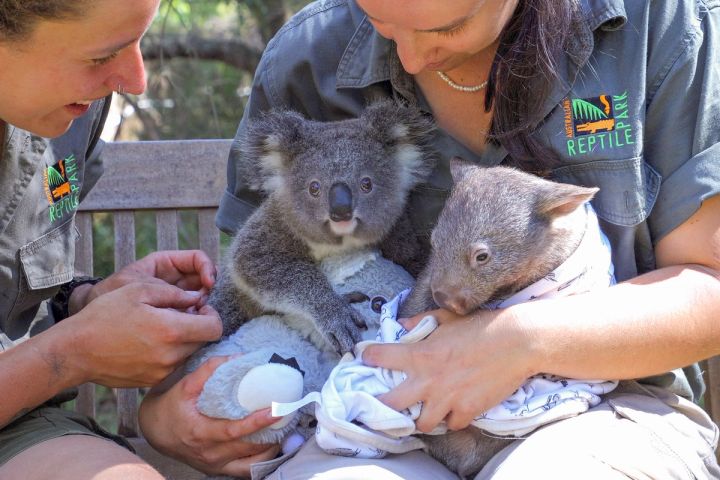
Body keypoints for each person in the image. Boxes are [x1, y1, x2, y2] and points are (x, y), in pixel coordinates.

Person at [141, 0, 720, 478]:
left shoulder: (658, 28)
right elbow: (253, 285)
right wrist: (167, 412)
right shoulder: (308, 57)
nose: (411, 56)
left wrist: (524, 340)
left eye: (448, 27)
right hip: (371, 410)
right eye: (384, 22)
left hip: (597, 402)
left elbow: (709, 287)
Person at [0, 2, 284, 479]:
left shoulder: (70, 115)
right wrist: (72, 353)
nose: (135, 81)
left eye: (139, 42)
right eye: (100, 57)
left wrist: (87, 302)